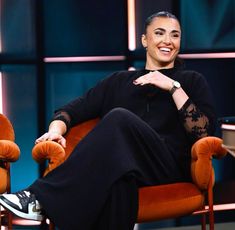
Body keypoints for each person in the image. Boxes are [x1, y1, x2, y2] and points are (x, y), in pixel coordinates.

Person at [0, 11, 216, 230]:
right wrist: (56, 129)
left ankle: (40, 197)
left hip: (166, 169)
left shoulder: (191, 81)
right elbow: (71, 110)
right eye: (159, 33)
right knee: (118, 183)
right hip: (127, 169)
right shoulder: (118, 82)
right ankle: (42, 201)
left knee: (118, 117)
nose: (167, 41)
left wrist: (173, 87)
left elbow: (204, 134)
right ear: (144, 40)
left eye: (175, 35)